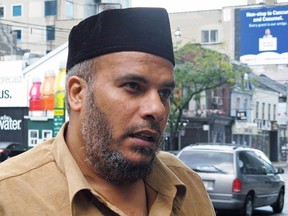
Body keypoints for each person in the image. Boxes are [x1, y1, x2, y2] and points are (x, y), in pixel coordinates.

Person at [0, 8, 215, 216]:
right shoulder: (9, 195)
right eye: (133, 86)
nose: (157, 108)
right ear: (77, 93)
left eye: (165, 93)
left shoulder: (188, 186)